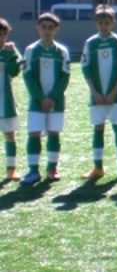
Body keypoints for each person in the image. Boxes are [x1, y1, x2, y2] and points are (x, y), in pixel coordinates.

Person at [80, 4, 117, 179]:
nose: (103, 26)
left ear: (113, 23)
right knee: (98, 128)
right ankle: (98, 167)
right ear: (96, 23)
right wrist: (95, 92)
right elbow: (86, 68)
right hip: (97, 96)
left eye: (107, 22)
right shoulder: (91, 43)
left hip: (115, 95)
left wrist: (113, 91)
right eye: (100, 22)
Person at [20, 12, 71, 185]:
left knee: (53, 134)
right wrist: (41, 98)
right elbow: (28, 77)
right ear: (38, 29)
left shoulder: (62, 52)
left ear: (57, 29)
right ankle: (33, 170)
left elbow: (65, 77)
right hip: (37, 102)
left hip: (56, 102)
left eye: (51, 27)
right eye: (44, 27)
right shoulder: (31, 50)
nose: (47, 31)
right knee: (34, 133)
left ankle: (52, 168)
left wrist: (52, 97)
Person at [0, 18, 23, 181]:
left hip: (5, 101)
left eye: (3, 34)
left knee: (9, 135)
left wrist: (10, 55)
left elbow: (15, 71)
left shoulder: (10, 50)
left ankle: (11, 169)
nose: (1, 38)